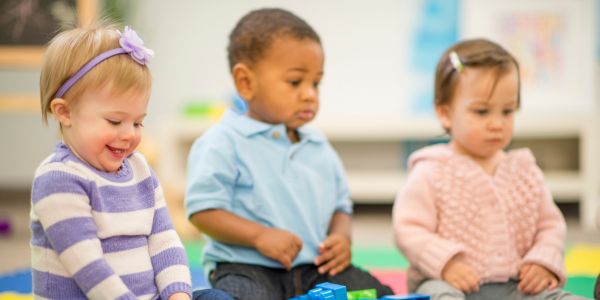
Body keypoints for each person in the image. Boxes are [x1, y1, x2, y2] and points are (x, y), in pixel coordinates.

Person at [185, 8, 393, 300]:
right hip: (247, 267)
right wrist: (259, 236)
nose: (310, 93)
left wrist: (341, 237)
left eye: (316, 83)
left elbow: (340, 207)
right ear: (246, 82)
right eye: (296, 82)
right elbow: (203, 211)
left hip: (316, 269)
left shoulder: (318, 145)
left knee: (377, 292)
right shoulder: (222, 142)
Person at [32, 22, 231, 300]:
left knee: (216, 298)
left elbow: (165, 240)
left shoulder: (140, 171)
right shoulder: (58, 179)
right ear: (65, 112)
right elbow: (89, 267)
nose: (128, 135)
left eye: (138, 122)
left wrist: (178, 295)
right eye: (115, 121)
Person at [392, 38, 589, 300]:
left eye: (507, 111)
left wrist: (542, 261)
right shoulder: (431, 171)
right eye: (482, 112)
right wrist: (446, 263)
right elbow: (408, 229)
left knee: (560, 297)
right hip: (447, 282)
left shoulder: (525, 170)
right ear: (445, 113)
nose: (497, 124)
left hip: (517, 285)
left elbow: (550, 226)